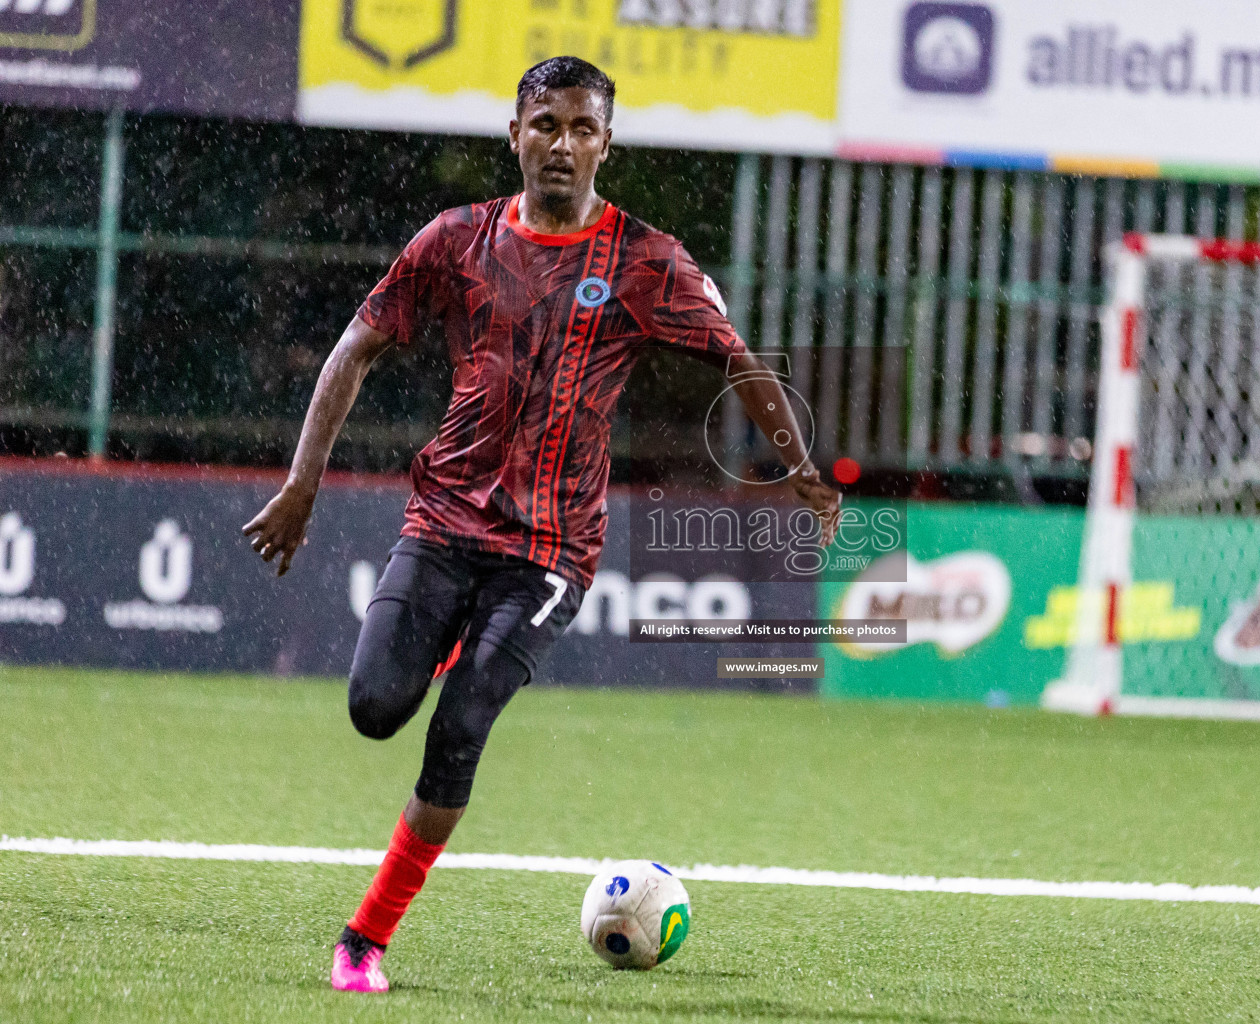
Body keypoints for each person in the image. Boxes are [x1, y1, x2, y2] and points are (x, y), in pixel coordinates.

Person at [241, 56, 841, 993]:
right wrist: (300, 485)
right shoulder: (455, 239)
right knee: (373, 711)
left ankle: (363, 941)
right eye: (546, 124)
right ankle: (443, 644)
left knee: (462, 725)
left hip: (551, 552)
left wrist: (798, 466)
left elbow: (736, 359)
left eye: (583, 128)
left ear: (608, 143)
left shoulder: (646, 261)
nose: (563, 143)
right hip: (442, 522)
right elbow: (355, 348)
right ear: (513, 132)